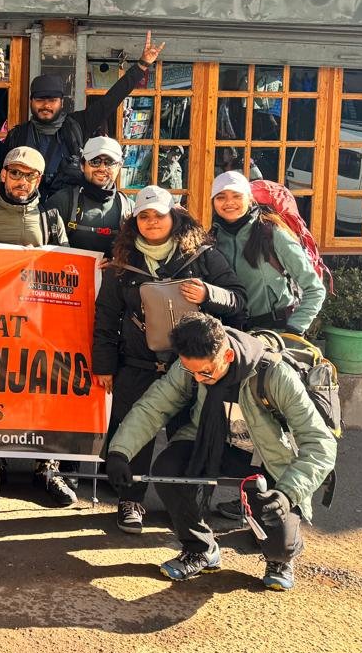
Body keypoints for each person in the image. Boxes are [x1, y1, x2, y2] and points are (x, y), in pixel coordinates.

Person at [106, 313, 336, 592]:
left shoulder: (274, 374)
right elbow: (153, 407)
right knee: (168, 470)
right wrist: (120, 451)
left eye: (206, 372)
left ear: (227, 355)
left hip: (268, 458)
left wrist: (287, 494)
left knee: (278, 538)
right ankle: (200, 548)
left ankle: (281, 557)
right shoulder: (190, 366)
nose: (199, 379)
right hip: (211, 443)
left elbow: (320, 443)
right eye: (192, 372)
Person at [92, 185, 246, 535]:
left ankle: (191, 502)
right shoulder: (123, 260)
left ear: (174, 216)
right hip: (137, 363)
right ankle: (131, 499)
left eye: (158, 215)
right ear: (135, 222)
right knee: (135, 428)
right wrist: (103, 365)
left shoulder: (202, 255)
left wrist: (209, 294)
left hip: (192, 369)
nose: (152, 222)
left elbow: (240, 300)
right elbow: (106, 317)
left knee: (189, 435)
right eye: (144, 216)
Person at [0, 146, 74, 505]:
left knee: (42, 393)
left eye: (29, 175)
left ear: (39, 180)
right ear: (3, 175)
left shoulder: (51, 216)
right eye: (15, 173)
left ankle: (47, 467)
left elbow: (66, 266)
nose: (21, 181)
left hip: (38, 322)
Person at [2, 32, 165, 198]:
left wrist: (142, 65)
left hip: (69, 211)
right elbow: (2, 175)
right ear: (31, 102)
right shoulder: (18, 135)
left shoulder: (77, 124)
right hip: (29, 211)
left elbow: (111, 100)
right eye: (40, 100)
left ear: (62, 103)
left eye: (52, 100)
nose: (46, 105)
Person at [209, 171, 326, 333]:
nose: (229, 202)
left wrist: (294, 330)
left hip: (275, 334)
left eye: (237, 196)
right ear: (213, 202)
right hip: (231, 335)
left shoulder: (272, 234)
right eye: (221, 197)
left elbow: (315, 289)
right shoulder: (213, 239)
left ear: (249, 199)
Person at [48, 135, 133, 259]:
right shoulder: (63, 201)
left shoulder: (128, 207)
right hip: (71, 275)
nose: (102, 168)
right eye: (95, 161)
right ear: (82, 165)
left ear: (119, 166)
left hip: (114, 278)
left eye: (109, 162)